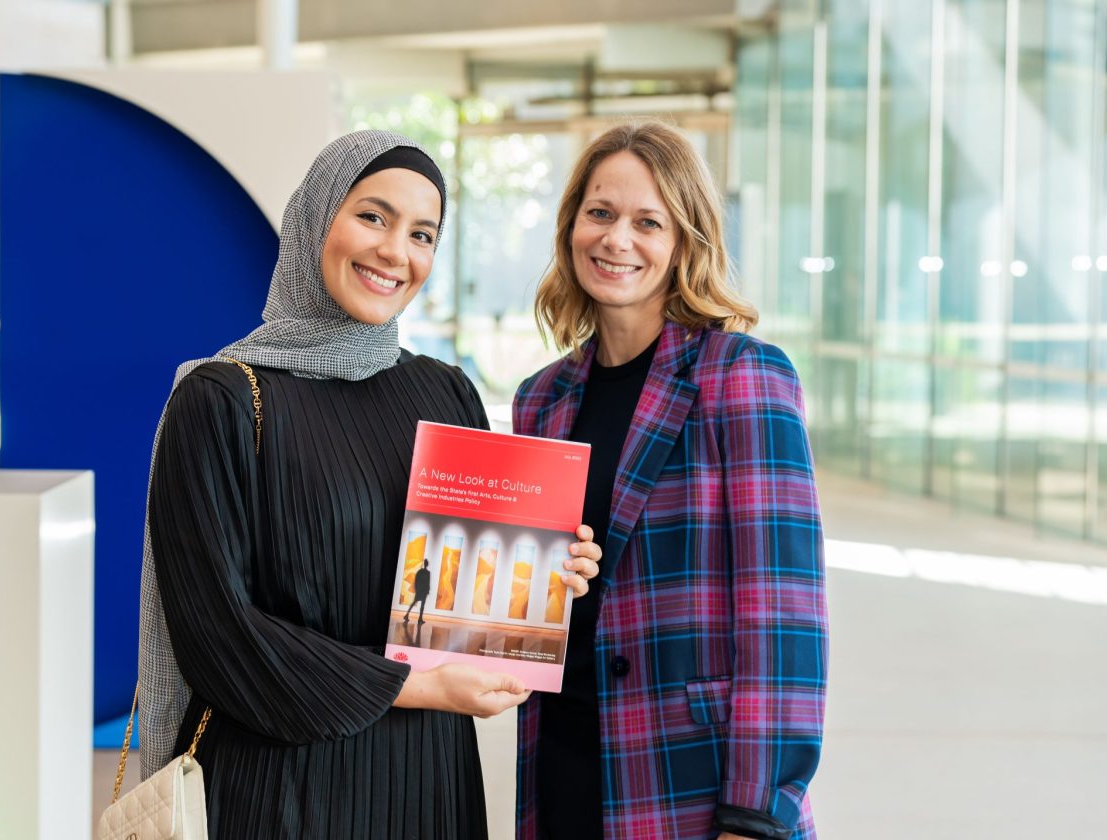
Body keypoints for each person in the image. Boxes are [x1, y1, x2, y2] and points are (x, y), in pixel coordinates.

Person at [138, 130, 601, 839]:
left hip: (426, 782)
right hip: (278, 792)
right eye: (373, 217)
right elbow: (218, 633)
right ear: (315, 218)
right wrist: (419, 686)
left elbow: (465, 597)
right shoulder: (223, 398)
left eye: (422, 234)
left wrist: (540, 571)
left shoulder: (444, 393)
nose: (395, 252)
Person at [512, 122, 827, 840]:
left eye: (647, 221)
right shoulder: (542, 399)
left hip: (693, 777)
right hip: (563, 762)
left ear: (685, 241)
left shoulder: (741, 375)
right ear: (571, 229)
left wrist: (757, 813)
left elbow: (784, 615)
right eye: (600, 213)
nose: (616, 239)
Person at [404, 558, 432, 624]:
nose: (426, 564)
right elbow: (426, 582)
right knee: (420, 604)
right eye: (426, 563)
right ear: (426, 564)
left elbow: (417, 581)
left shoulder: (421, 572)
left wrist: (417, 589)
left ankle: (414, 617)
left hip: (421, 591)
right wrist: (426, 590)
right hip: (422, 591)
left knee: (416, 603)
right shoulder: (426, 572)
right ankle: (418, 618)